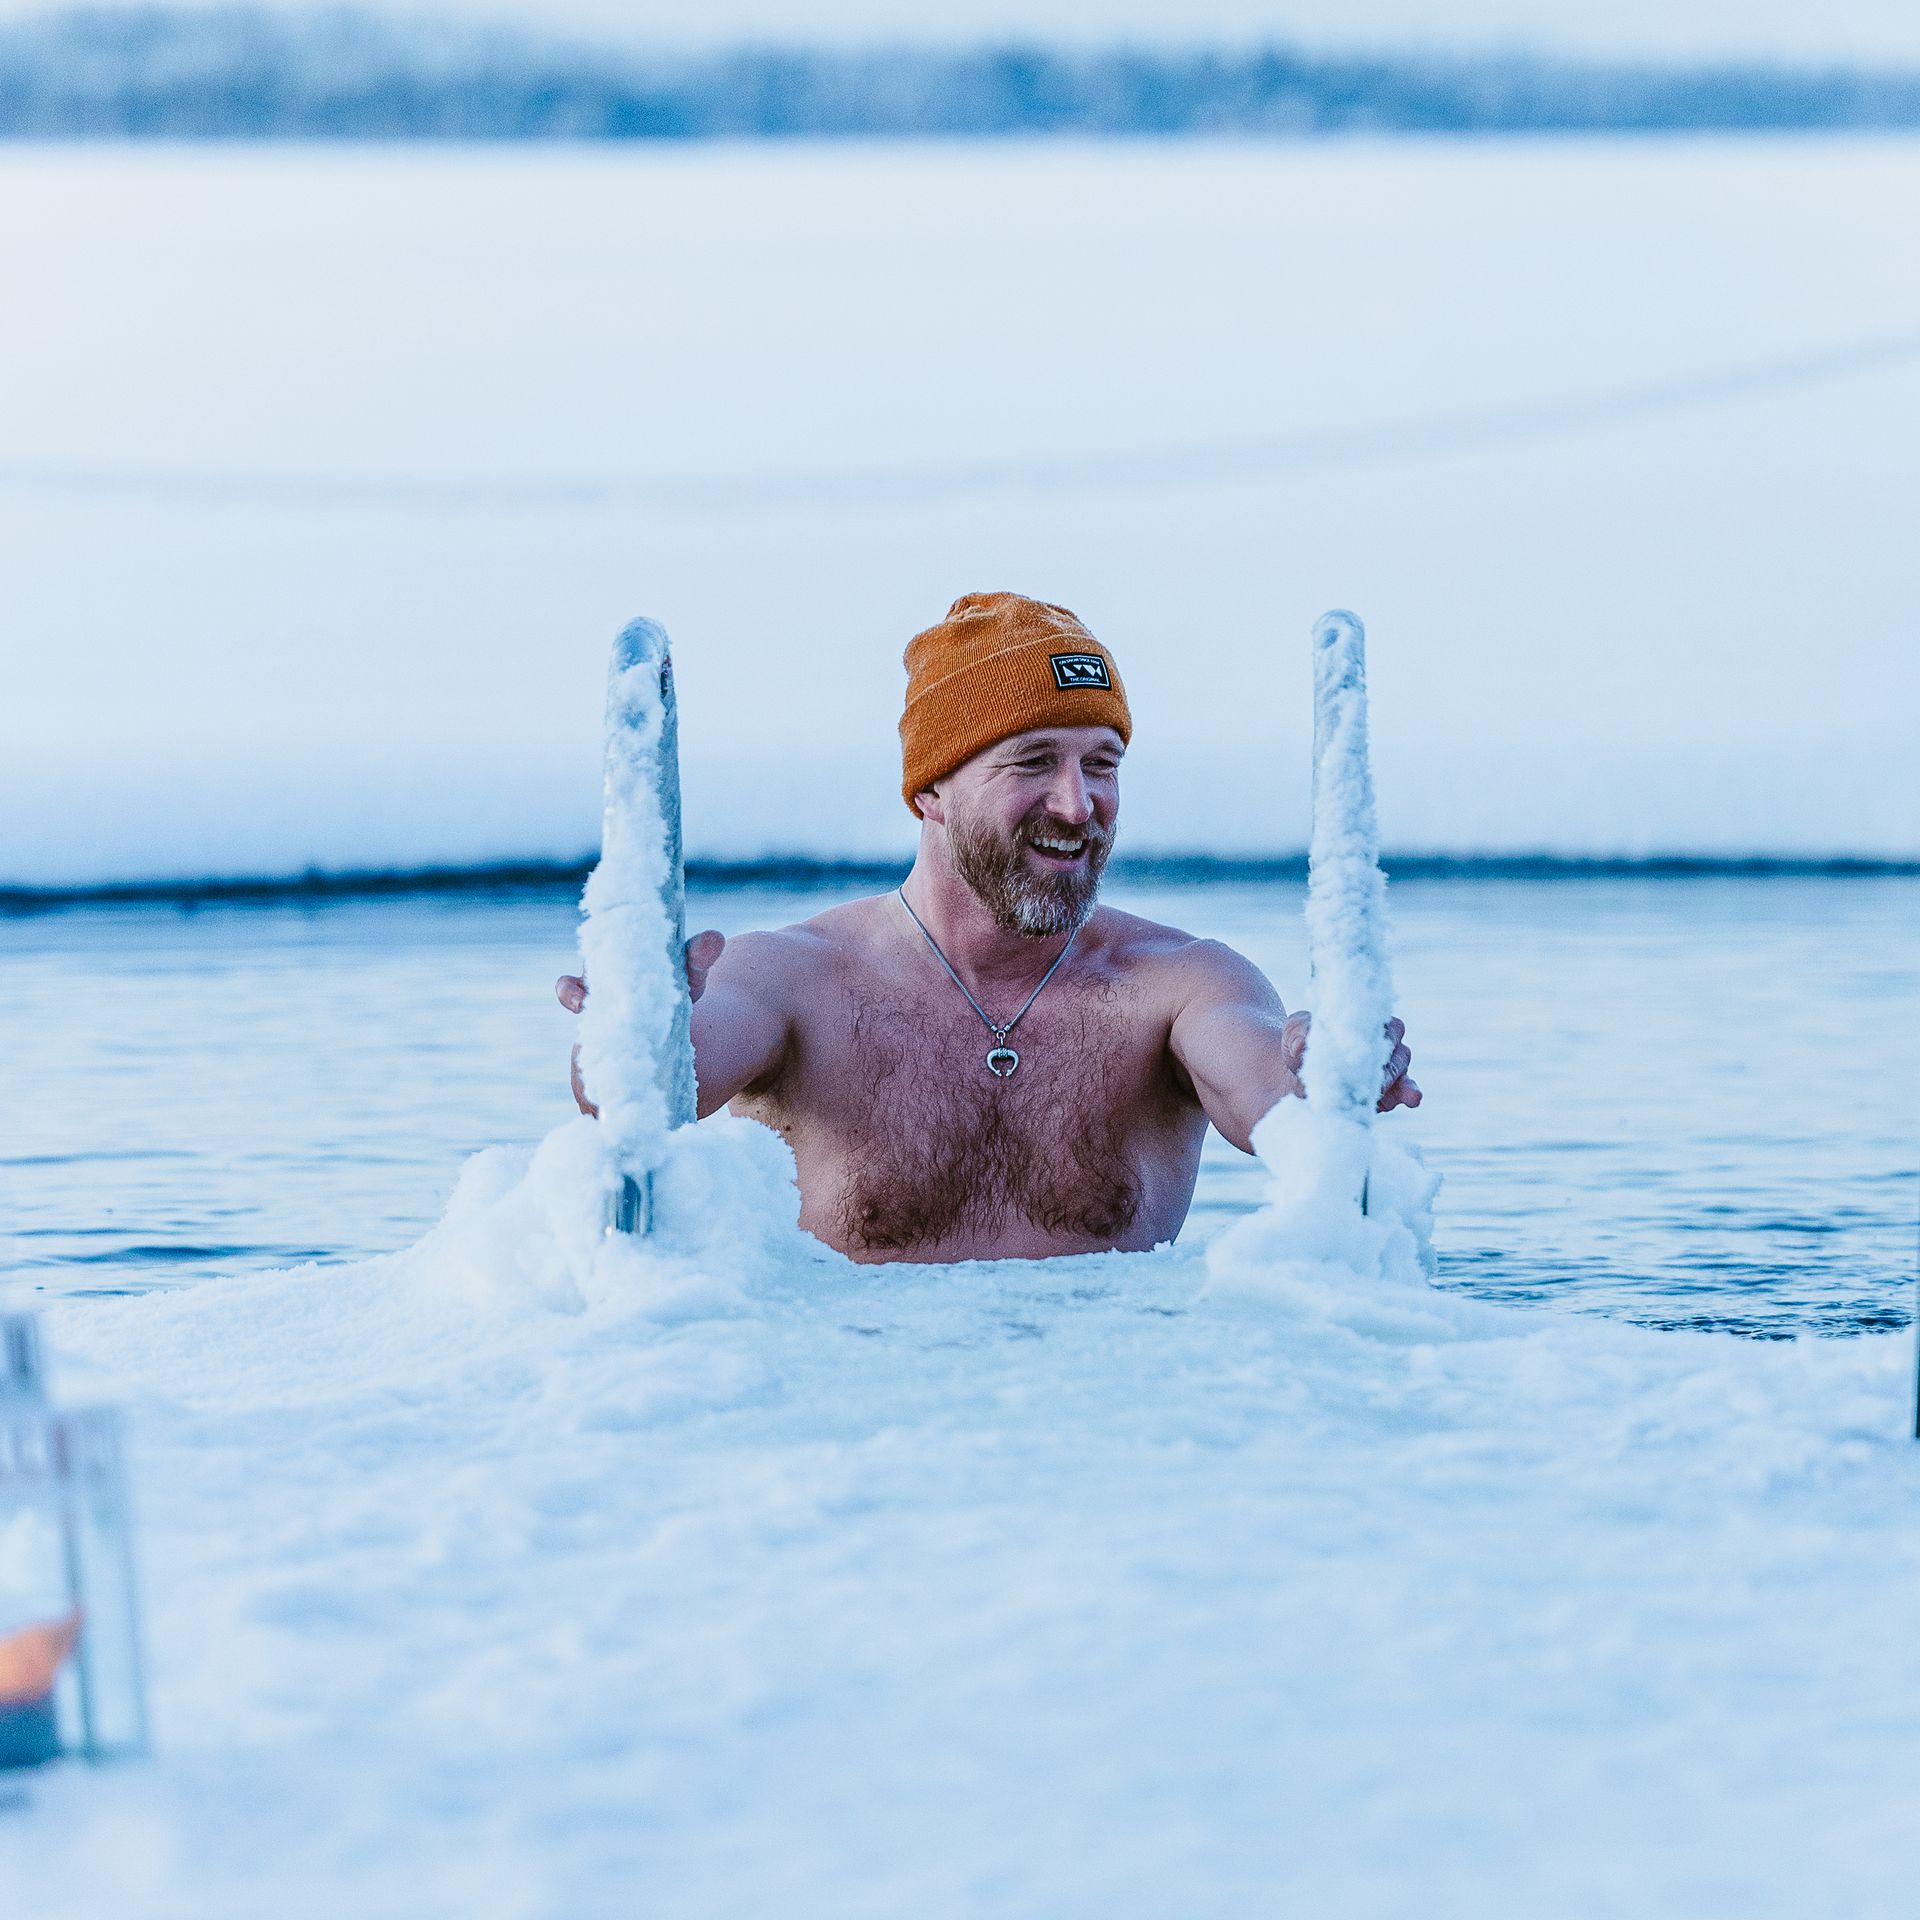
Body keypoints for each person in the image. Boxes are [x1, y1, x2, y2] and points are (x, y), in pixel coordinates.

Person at [558, 591, 1419, 1263]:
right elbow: (641, 1100)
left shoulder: (1181, 984)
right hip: (853, 1434)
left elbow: (1275, 1100)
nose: (1078, 805)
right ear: (930, 791)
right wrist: (630, 1027)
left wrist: (1329, 1071)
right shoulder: (792, 980)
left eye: (1102, 764)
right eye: (1034, 762)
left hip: (1127, 1436)